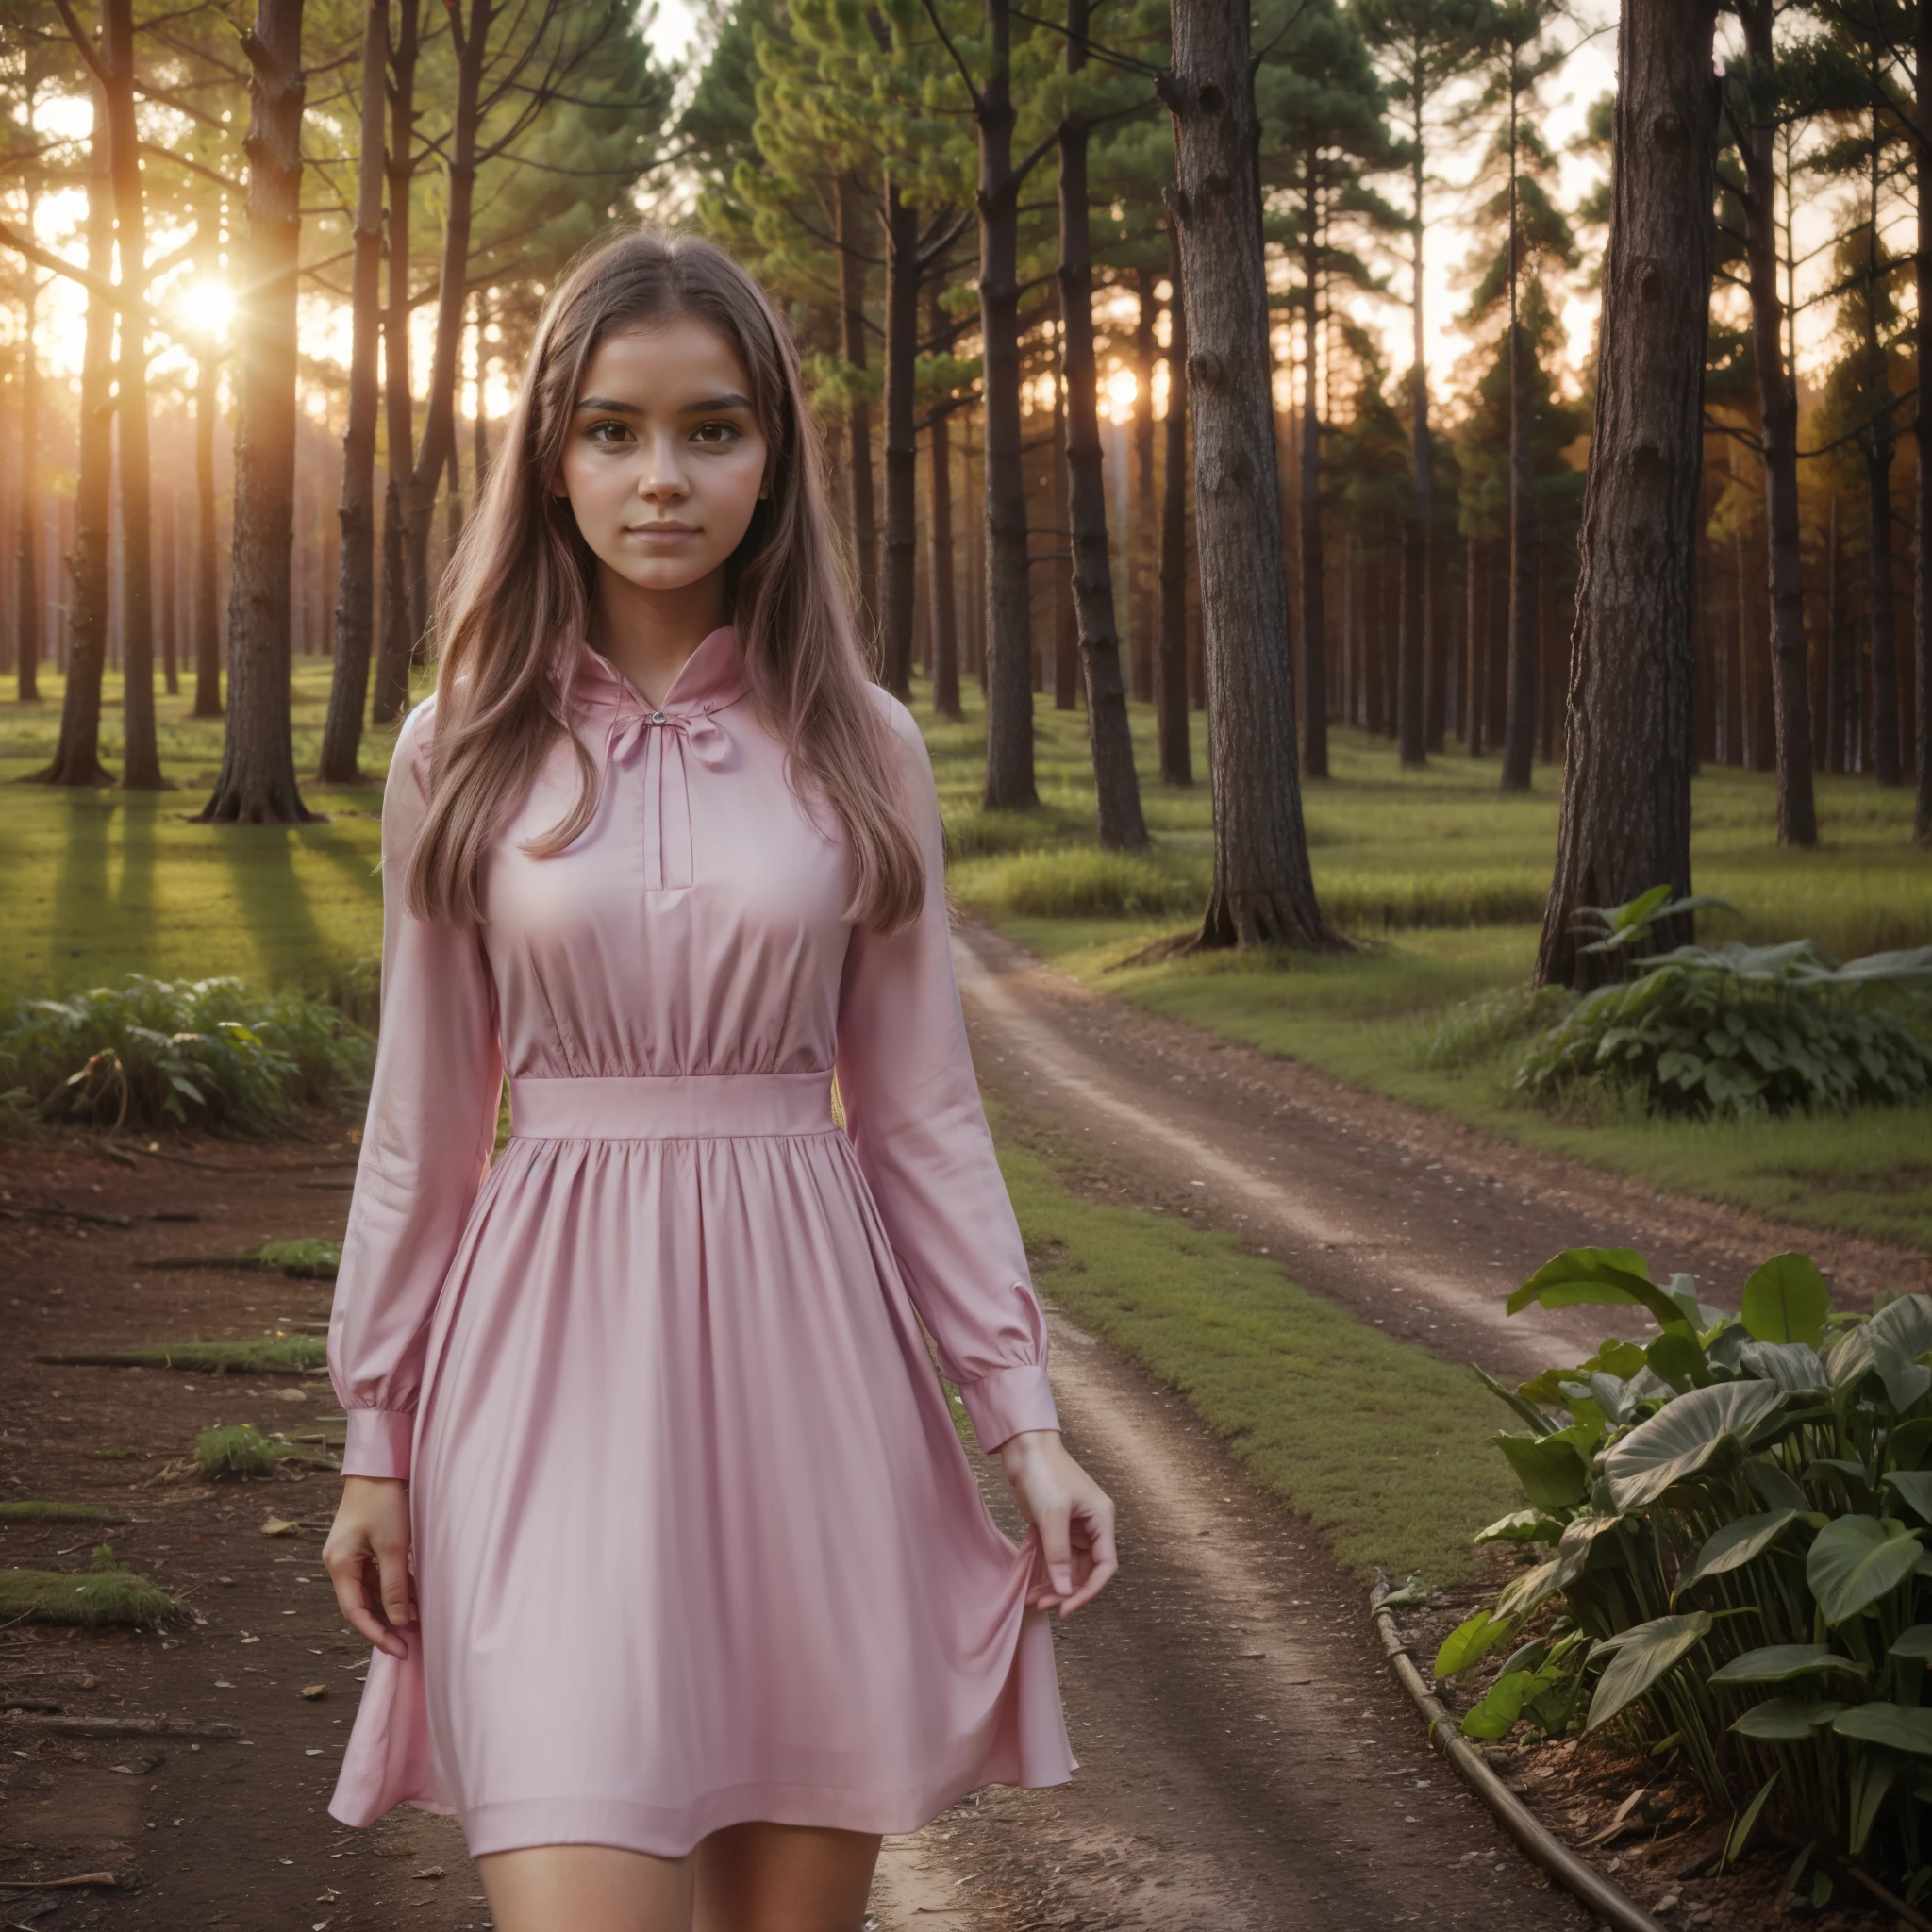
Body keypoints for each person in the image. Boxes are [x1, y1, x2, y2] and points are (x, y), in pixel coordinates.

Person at [319, 226, 1118, 1932]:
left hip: (809, 1378)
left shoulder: (866, 746)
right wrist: (374, 1435)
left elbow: (919, 1117)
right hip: (542, 1379)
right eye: (611, 430)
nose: (660, 477)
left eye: (711, 428)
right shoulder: (454, 740)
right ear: (549, 452)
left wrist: (1025, 1424)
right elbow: (423, 1122)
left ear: (773, 458)